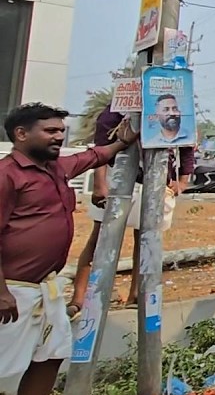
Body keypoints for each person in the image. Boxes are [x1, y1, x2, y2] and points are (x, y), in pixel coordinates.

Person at [0, 103, 136, 395]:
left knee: (51, 355)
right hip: (12, 290)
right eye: (50, 131)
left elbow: (94, 156)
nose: (59, 137)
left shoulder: (56, 168)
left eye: (61, 131)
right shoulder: (7, 175)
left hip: (46, 288)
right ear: (21, 134)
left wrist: (122, 142)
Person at [75, 108, 196, 308]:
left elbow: (187, 146)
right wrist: (100, 184)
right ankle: (80, 298)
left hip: (155, 178)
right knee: (100, 239)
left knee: (146, 240)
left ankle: (136, 295)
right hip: (117, 176)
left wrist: (182, 181)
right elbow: (101, 148)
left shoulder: (172, 109)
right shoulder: (116, 111)